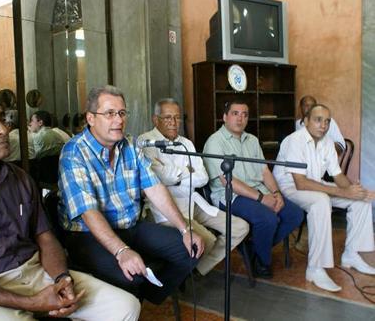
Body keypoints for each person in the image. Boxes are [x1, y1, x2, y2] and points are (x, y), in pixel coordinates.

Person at [0, 92, 141, 321]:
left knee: (125, 306)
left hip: (36, 273)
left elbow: (45, 237)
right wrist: (31, 303)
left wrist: (61, 279)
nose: (2, 129)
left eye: (1, 119)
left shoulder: (20, 179)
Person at [58, 85, 204, 304]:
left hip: (130, 226)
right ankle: (134, 297)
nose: (118, 120)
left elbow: (155, 188)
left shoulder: (130, 145)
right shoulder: (74, 152)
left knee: (191, 248)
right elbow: (89, 212)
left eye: (122, 113)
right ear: (90, 118)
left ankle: (147, 297)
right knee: (131, 275)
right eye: (109, 113)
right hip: (87, 235)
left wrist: (185, 229)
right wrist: (122, 251)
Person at [138, 98, 249, 276]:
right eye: (167, 117)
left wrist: (174, 175)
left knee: (240, 227)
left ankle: (198, 268)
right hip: (164, 208)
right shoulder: (145, 142)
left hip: (192, 202)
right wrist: (187, 171)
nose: (173, 123)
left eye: (177, 117)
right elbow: (159, 175)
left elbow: (202, 178)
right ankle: (185, 269)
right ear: (155, 119)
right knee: (207, 240)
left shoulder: (186, 143)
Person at [273, 104, 375, 292]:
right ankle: (315, 268)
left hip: (314, 183)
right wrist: (344, 193)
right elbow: (301, 184)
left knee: (360, 200)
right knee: (321, 201)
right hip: (289, 186)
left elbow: (337, 176)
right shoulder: (294, 140)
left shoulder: (327, 142)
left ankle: (351, 254)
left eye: (327, 121)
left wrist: (355, 190)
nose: (323, 125)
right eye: (318, 120)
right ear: (305, 121)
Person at [202, 100, 303, 278]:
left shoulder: (252, 140)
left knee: (295, 214)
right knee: (268, 219)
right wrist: (262, 199)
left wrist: (276, 193)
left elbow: (265, 171)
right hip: (230, 196)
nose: (240, 118)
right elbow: (228, 181)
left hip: (258, 191)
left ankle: (254, 248)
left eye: (245, 114)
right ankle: (263, 263)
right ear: (225, 117)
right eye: (235, 113)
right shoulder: (215, 142)